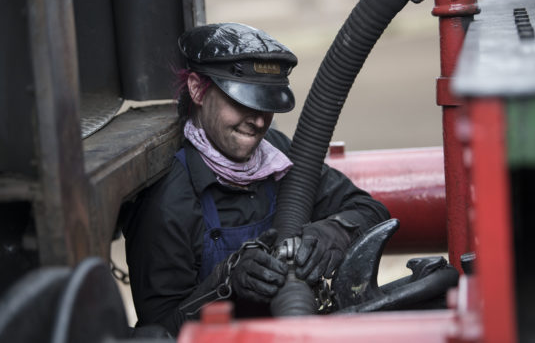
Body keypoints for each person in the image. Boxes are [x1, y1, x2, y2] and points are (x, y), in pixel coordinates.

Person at [123, 22, 390, 336]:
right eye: (242, 102)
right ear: (197, 89)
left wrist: (333, 233)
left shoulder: (277, 153)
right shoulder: (167, 201)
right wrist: (227, 282)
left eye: (267, 104)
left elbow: (372, 211)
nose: (258, 121)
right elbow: (160, 330)